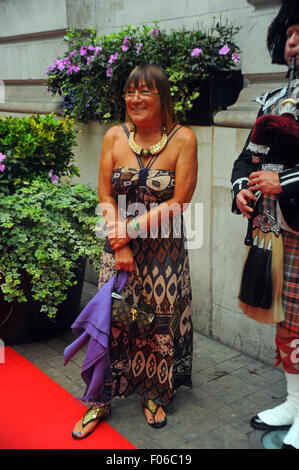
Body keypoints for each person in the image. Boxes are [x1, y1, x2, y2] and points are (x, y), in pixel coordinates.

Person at [72, 64, 198, 439]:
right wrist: (121, 240)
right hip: (116, 247)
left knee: (158, 323)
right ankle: (98, 397)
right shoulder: (114, 136)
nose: (135, 99)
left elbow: (180, 200)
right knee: (111, 321)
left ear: (162, 97)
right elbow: (104, 194)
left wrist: (127, 231)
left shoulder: (183, 138)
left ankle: (154, 391)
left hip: (165, 254)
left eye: (145, 91)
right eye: (130, 91)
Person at [231, 0, 299, 450]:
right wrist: (242, 186)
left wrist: (285, 181)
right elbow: (247, 158)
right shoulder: (274, 99)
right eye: (290, 34)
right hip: (271, 228)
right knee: (285, 323)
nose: (294, 43)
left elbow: (281, 171)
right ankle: (294, 401)